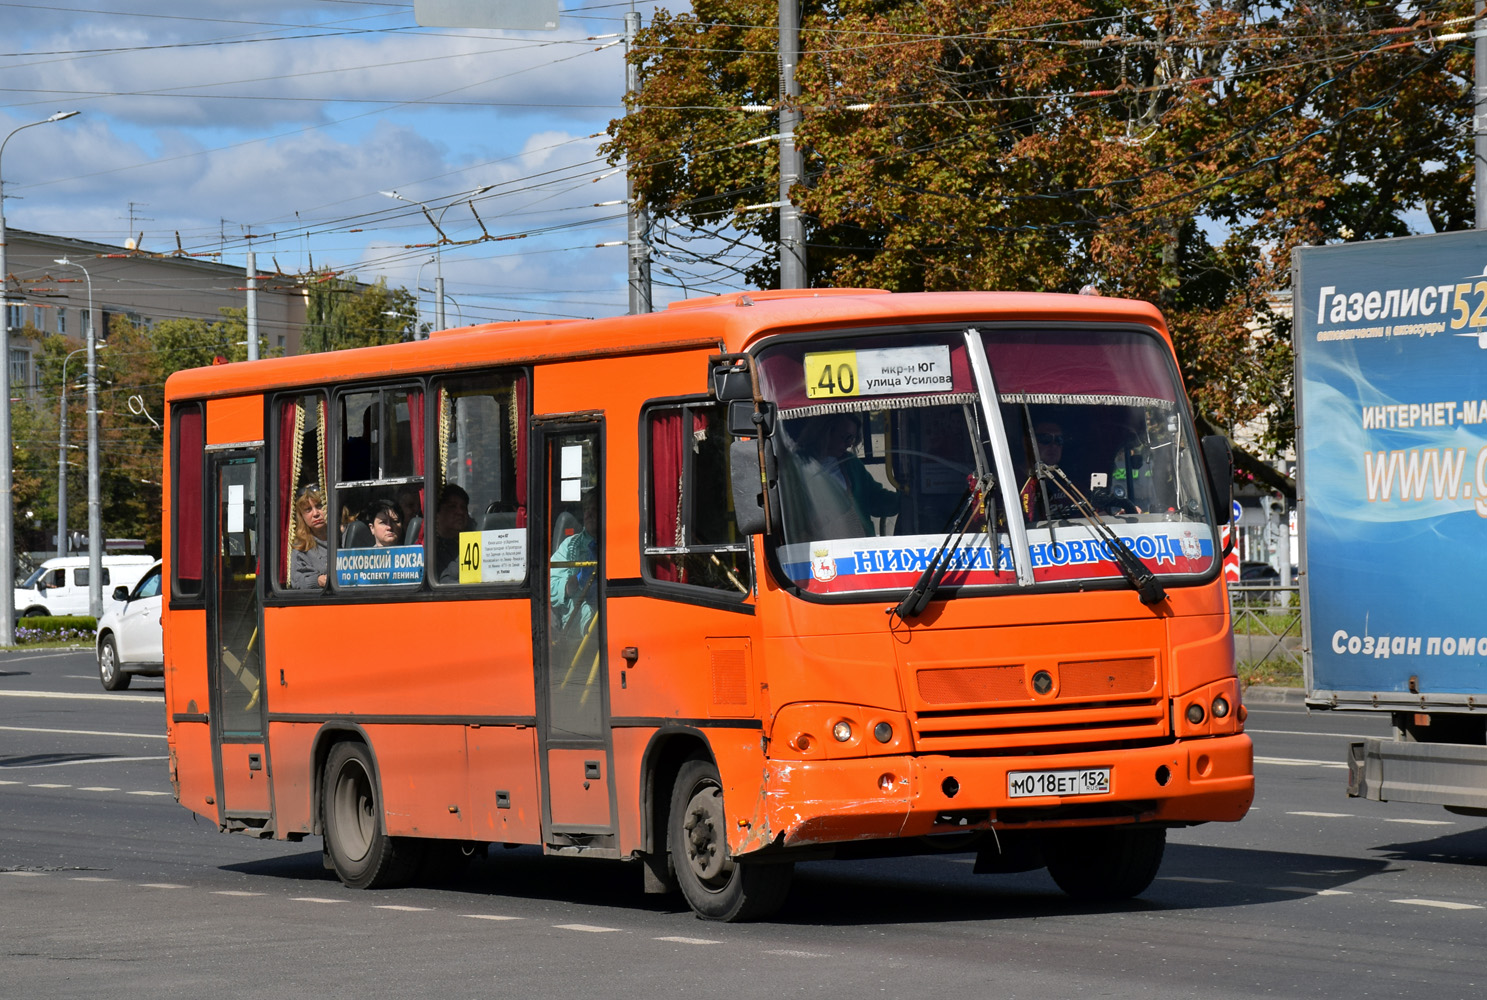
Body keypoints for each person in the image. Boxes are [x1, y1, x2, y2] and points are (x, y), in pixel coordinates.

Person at [790, 412, 899, 538]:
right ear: (826, 432)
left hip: (859, 543)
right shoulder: (799, 464)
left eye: (852, 439)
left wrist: (905, 500)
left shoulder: (850, 463)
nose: (849, 444)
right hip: (819, 547)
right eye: (845, 437)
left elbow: (875, 498)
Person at [549, 502, 599, 634]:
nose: (589, 513)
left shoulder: (620, 543)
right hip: (575, 627)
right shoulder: (569, 545)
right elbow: (549, 586)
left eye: (594, 508)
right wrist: (568, 586)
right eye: (586, 509)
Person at [1020, 420, 1063, 521]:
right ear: (1027, 443)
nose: (1053, 446)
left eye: (1059, 440)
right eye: (1045, 439)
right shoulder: (1010, 482)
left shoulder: (1068, 484)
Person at [289, 484, 329, 589]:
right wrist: (318, 581)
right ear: (301, 516)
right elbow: (296, 581)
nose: (316, 513)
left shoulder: (346, 537)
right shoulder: (301, 547)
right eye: (308, 509)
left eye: (319, 506)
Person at [433, 483, 470, 583]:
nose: (460, 512)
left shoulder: (472, 544)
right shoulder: (427, 546)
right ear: (437, 513)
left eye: (463, 507)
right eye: (452, 507)